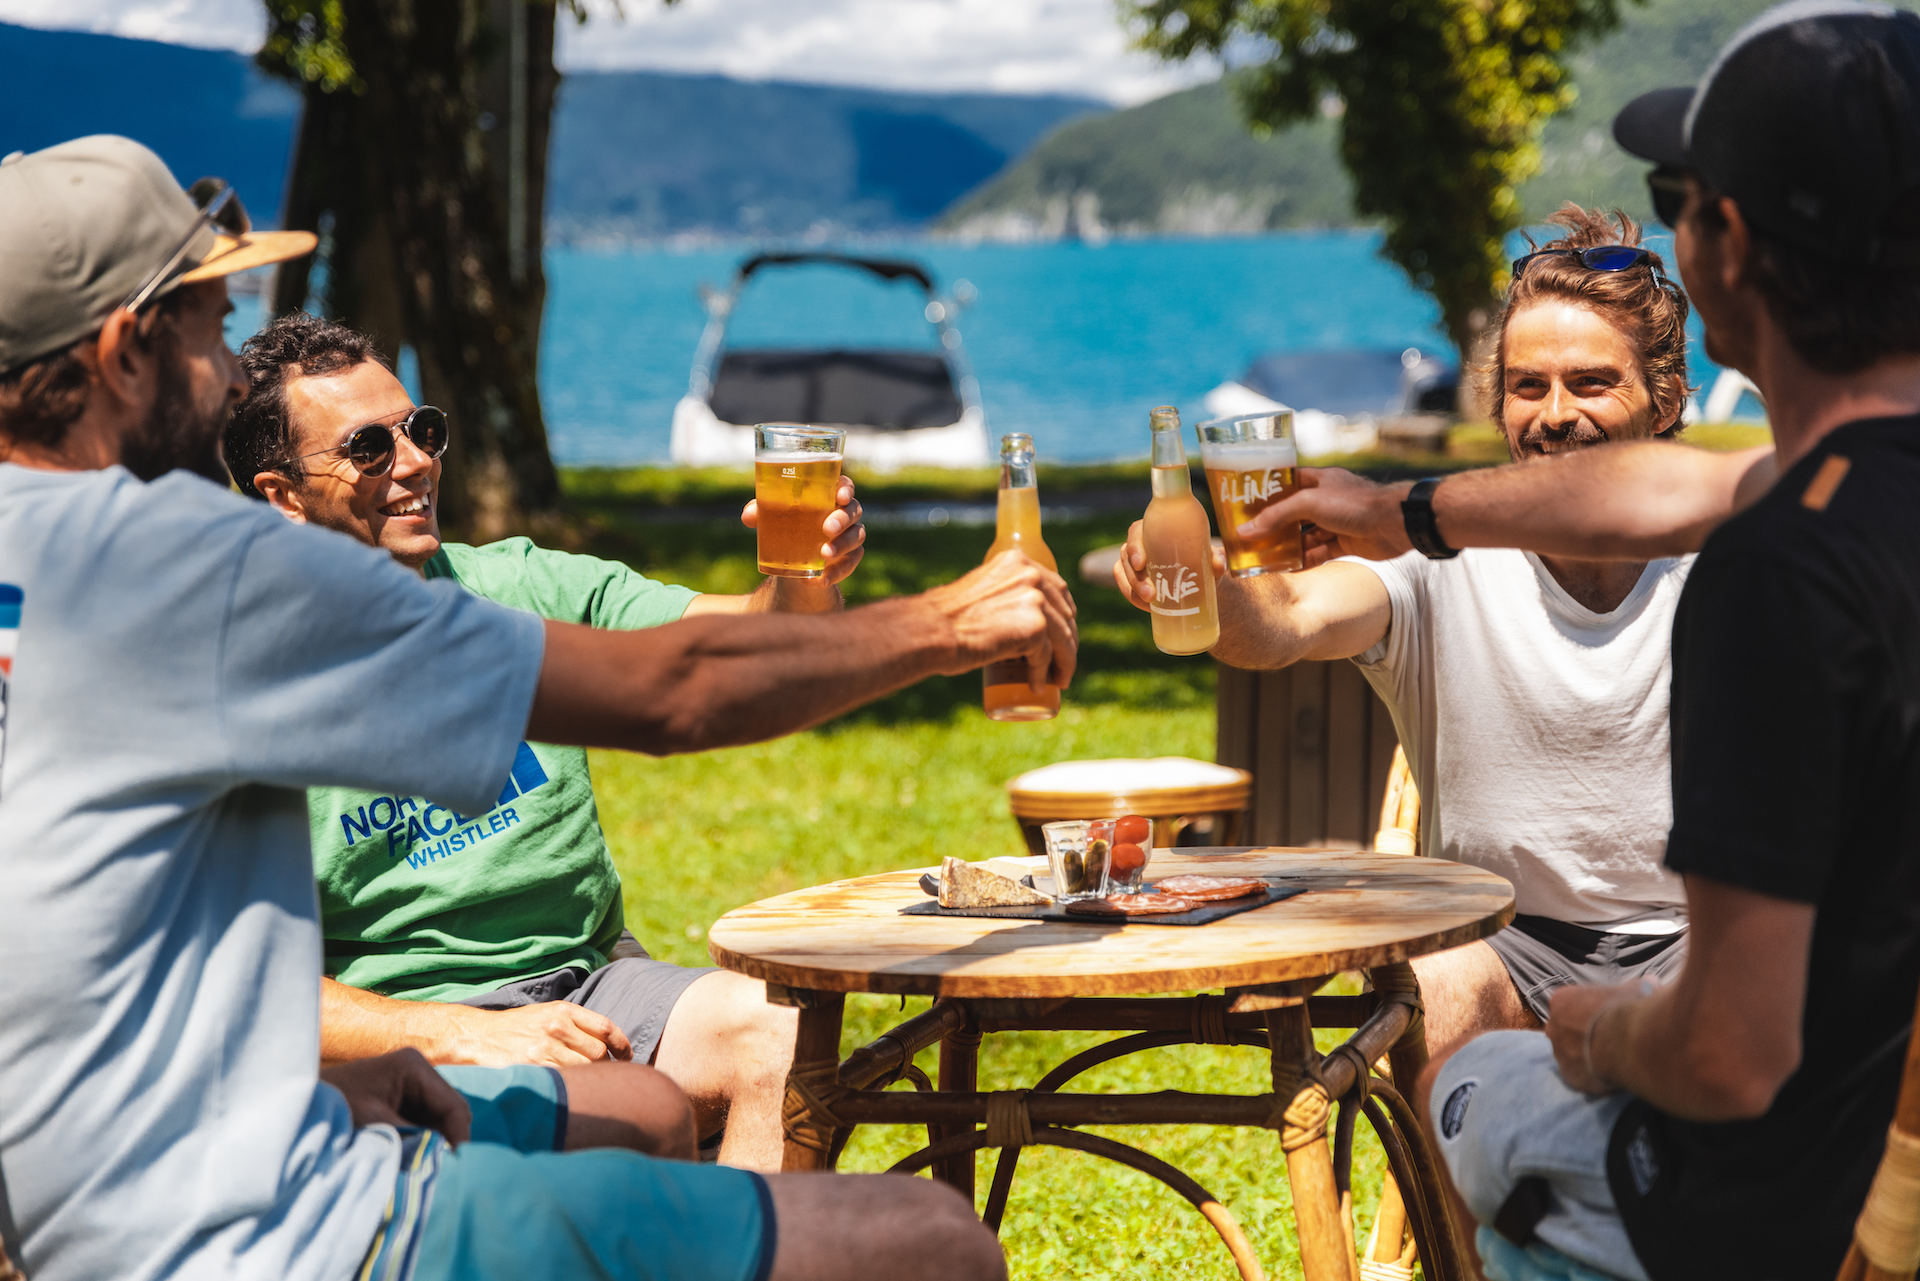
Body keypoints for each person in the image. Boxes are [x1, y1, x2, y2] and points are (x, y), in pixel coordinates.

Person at [0, 136, 1070, 1281]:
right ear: (122, 352)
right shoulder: (195, 567)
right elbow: (676, 691)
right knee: (934, 1244)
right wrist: (951, 622)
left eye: (420, 429)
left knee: (647, 1112)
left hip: (118, 1188)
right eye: (211, 334)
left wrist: (340, 1081)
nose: (222, 377)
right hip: (265, 1232)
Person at [1248, 6, 1920, 1278]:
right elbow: (1665, 493)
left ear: (1727, 245)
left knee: (1487, 1092)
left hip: (1759, 1203)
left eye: (1680, 197)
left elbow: (1727, 1054)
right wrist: (1402, 515)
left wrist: (1604, 1035)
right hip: (1876, 1156)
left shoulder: (1779, 577)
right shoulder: (1850, 502)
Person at [222, 311, 863, 1171]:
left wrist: (802, 577)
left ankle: (739, 1238)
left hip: (594, 986)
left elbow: (749, 648)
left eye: (421, 430)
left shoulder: (520, 585)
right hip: (402, 1038)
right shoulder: (234, 687)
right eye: (368, 448)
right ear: (282, 495)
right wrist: (461, 1031)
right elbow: (239, 981)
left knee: (780, 1035)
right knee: (607, 1115)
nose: (413, 462)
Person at [1118, 204, 1696, 1051]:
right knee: (1433, 985)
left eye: (1591, 382)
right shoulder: (1437, 552)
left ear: (1665, 398)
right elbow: (1287, 620)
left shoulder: (1725, 561)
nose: (1554, 413)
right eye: (1527, 386)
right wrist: (1208, 589)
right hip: (1498, 938)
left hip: (1697, 941)